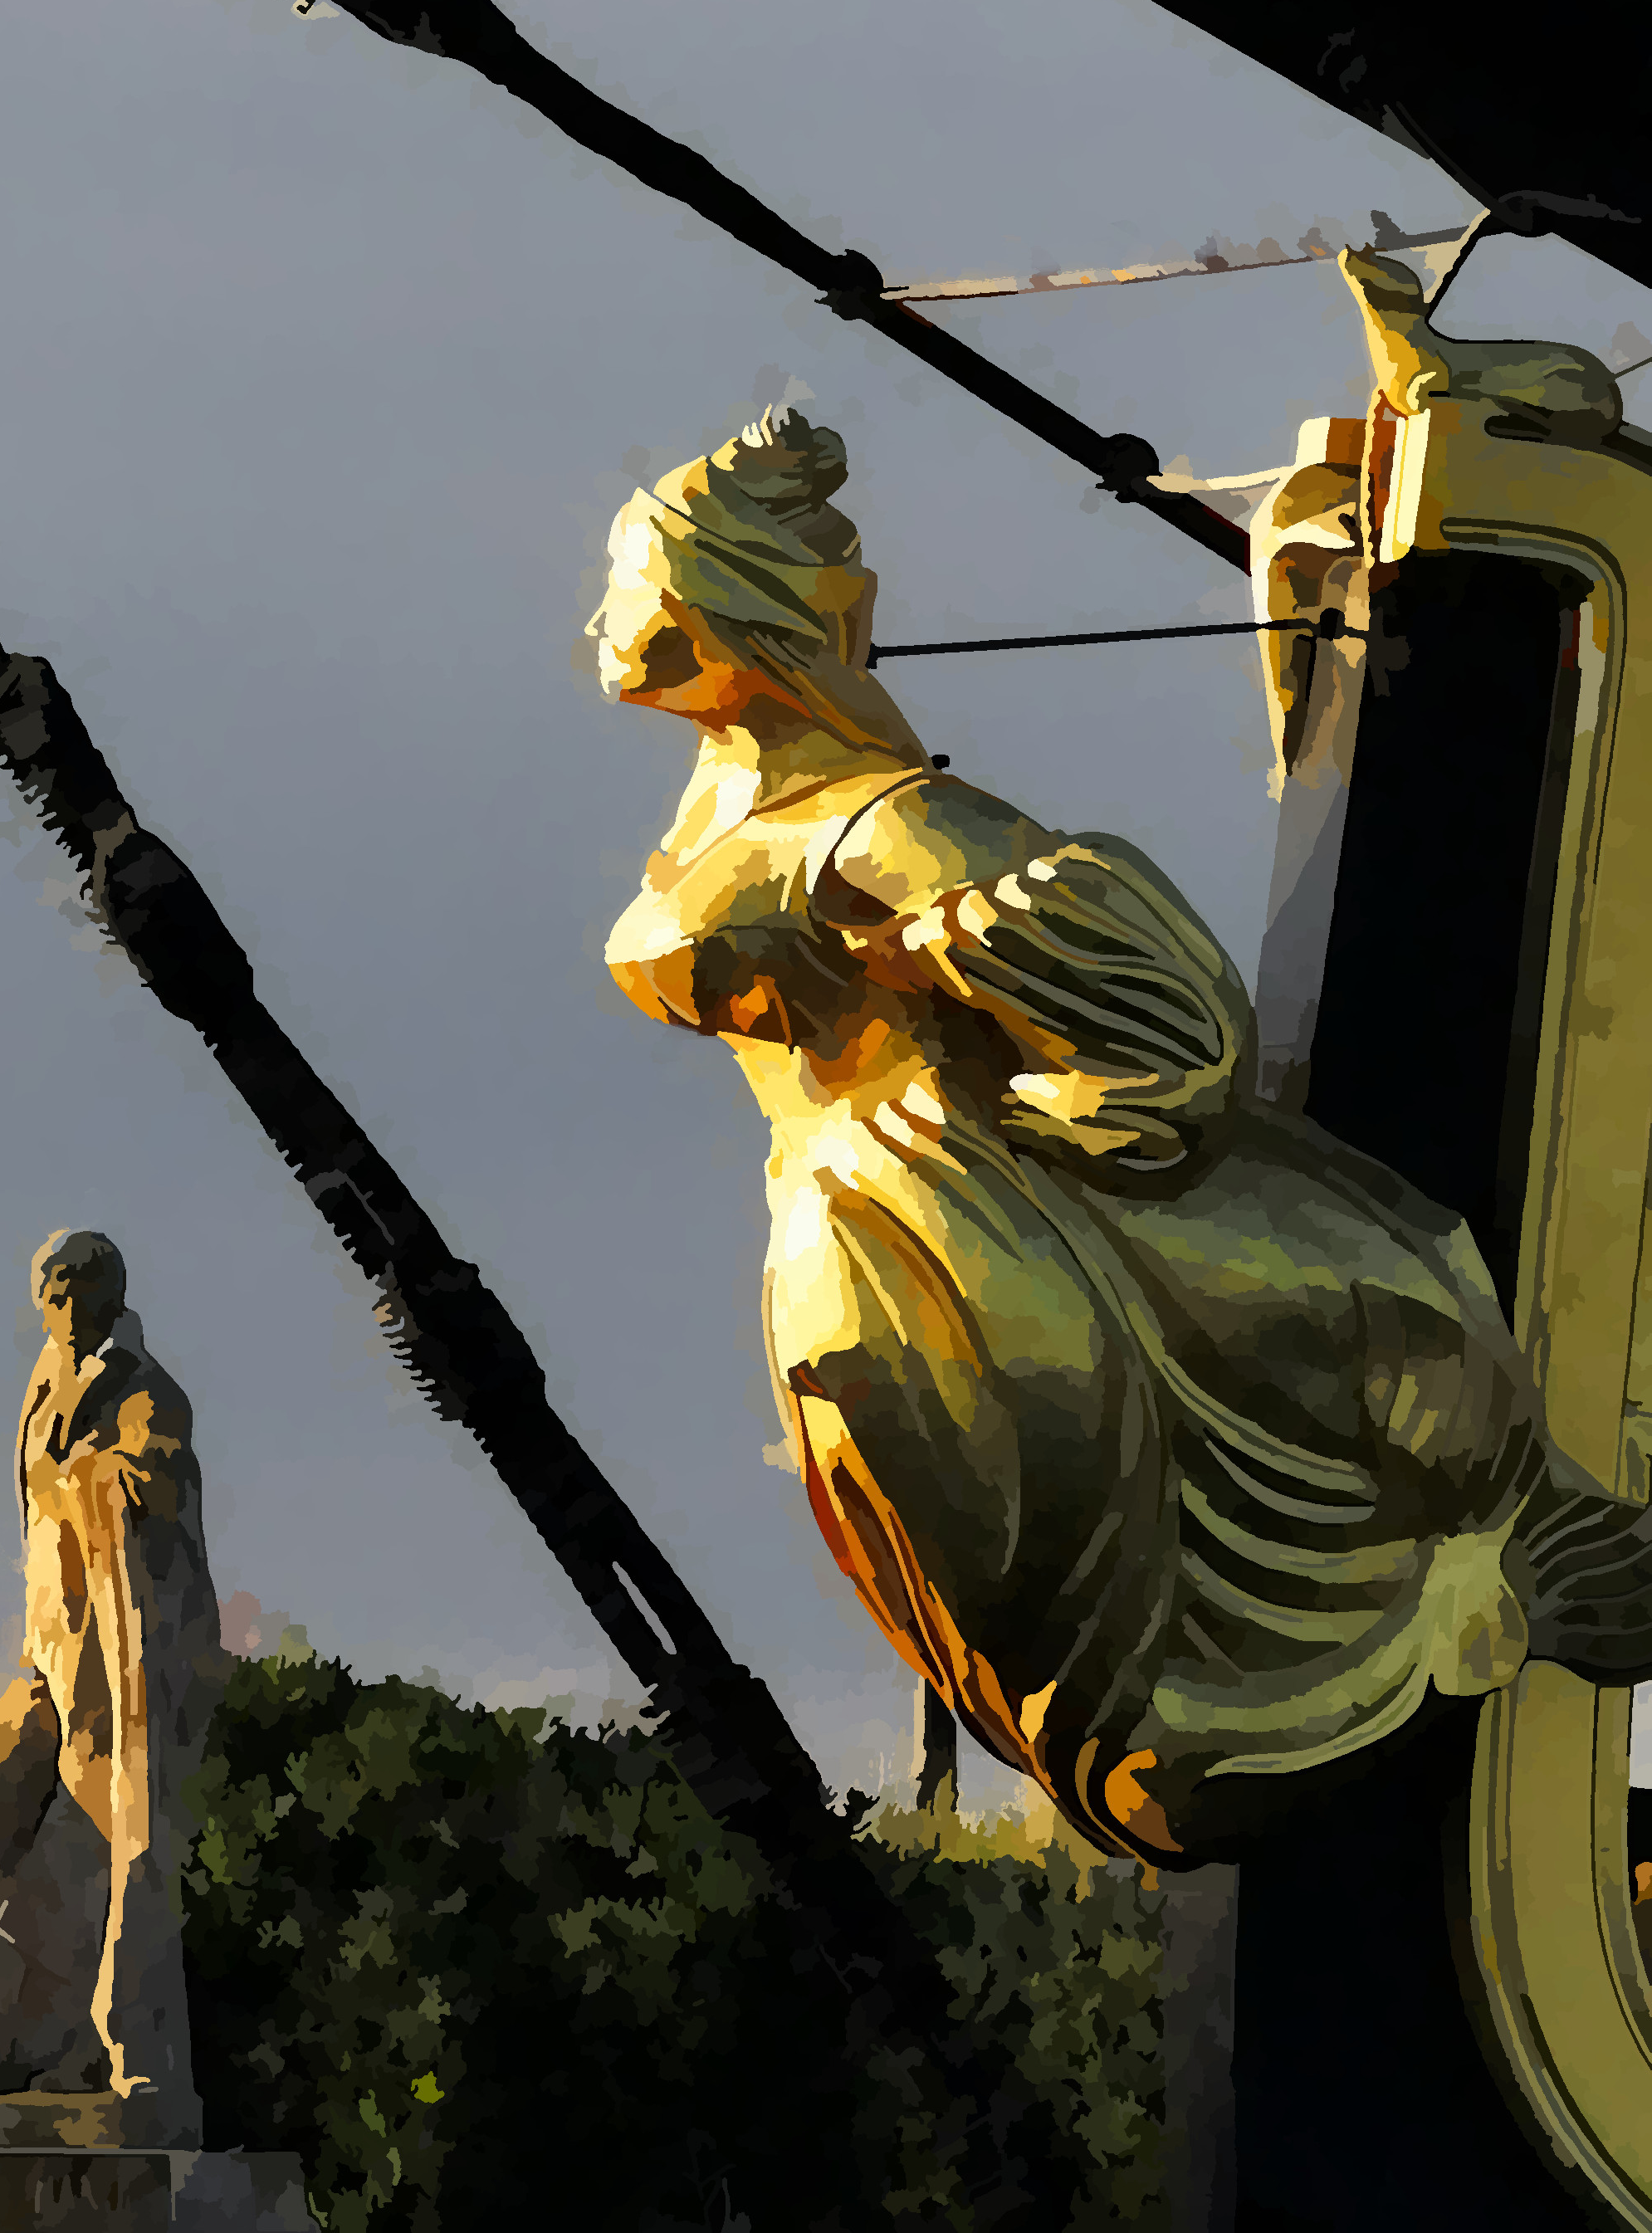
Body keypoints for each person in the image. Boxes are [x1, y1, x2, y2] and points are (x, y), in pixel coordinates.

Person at [589, 405, 1643, 1864]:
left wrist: (1066, 1097)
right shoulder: (742, 809)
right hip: (862, 1250)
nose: (600, 621)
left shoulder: (882, 825)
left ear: (724, 605)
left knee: (1072, 1623)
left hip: (961, 1231)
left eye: (628, 586)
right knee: (1014, 1608)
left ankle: (1434, 1633)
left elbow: (1163, 1003)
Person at [0, 1230, 226, 2121]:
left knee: (116, 1854)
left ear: (112, 1292)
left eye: (76, 1283)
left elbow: (160, 1485)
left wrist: (102, 1480)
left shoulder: (147, 1391)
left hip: (118, 1666)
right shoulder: (42, 1387)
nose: (63, 1300)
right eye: (51, 1286)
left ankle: (120, 2051)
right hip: (46, 1655)